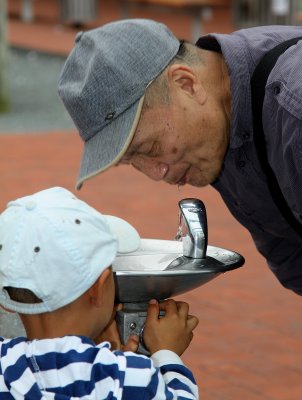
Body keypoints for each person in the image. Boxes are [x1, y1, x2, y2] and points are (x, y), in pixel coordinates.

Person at [57, 19, 302, 296]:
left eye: (150, 148)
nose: (157, 173)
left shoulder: (295, 109)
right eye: (131, 161)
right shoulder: (217, 128)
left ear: (186, 83)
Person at [0, 186, 199, 398]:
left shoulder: (5, 367)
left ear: (5, 301)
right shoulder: (130, 378)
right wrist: (166, 354)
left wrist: (109, 358)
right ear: (99, 288)